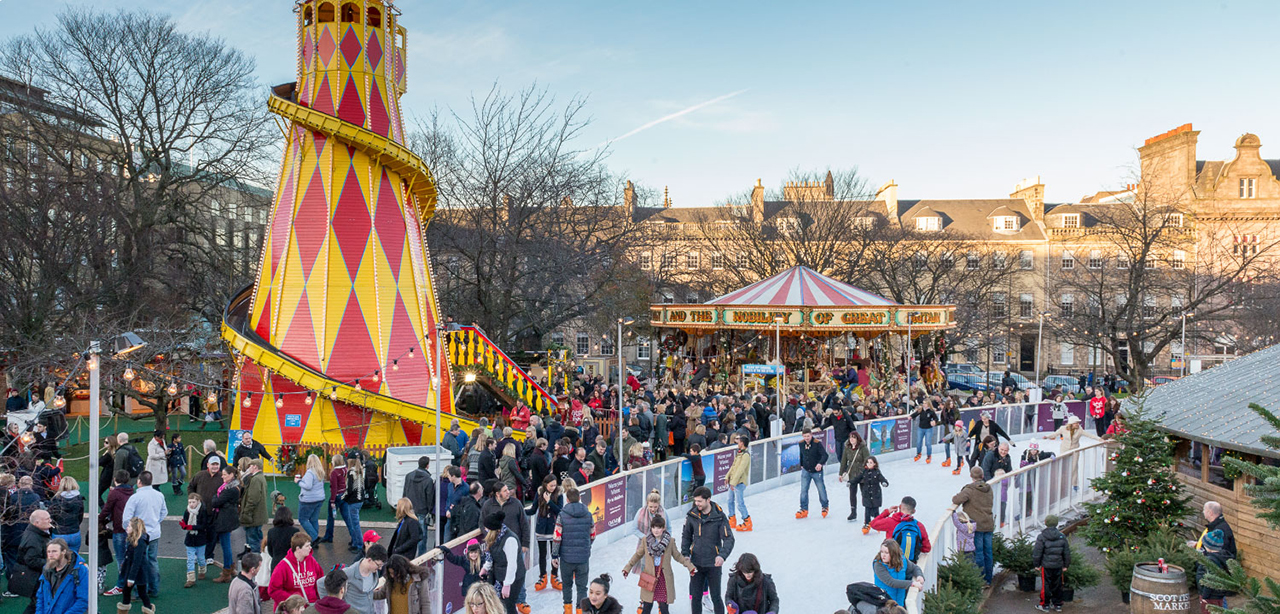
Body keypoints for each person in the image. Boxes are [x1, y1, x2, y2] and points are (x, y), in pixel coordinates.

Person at [623, 515, 694, 614]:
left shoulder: (670, 541)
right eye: (654, 527)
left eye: (659, 527)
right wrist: (627, 568)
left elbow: (678, 556)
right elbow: (637, 555)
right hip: (650, 577)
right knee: (647, 607)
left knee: (664, 608)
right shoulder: (645, 540)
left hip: (663, 578)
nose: (656, 530)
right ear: (651, 528)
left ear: (663, 528)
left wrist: (690, 567)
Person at [682, 486, 734, 614]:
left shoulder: (720, 517)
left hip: (713, 564)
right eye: (696, 501)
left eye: (700, 501)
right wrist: (686, 554)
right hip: (696, 563)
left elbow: (729, 539)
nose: (697, 504)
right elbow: (686, 536)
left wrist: (722, 556)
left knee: (716, 597)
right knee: (696, 597)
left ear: (708, 500)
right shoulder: (692, 516)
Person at [121, 471, 167, 596]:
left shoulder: (135, 498)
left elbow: (126, 518)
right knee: (152, 561)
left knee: (137, 562)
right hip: (154, 533)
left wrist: (129, 530)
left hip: (138, 536)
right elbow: (164, 512)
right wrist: (155, 523)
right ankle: (154, 588)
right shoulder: (159, 495)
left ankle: (138, 592)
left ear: (139, 482)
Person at [554, 484, 595, 614]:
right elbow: (593, 535)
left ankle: (567, 611)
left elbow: (557, 537)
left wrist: (555, 555)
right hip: (583, 557)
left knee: (567, 585)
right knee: (582, 587)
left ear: (567, 500)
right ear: (579, 498)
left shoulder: (562, 515)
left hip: (566, 558)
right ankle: (580, 611)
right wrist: (586, 546)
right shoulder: (588, 514)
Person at [951, 466, 995, 583]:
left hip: (977, 526)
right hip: (989, 524)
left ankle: (981, 580)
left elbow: (956, 500)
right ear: (982, 476)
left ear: (971, 476)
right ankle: (988, 579)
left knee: (979, 553)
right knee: (988, 552)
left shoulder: (969, 490)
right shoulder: (989, 488)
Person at [318, 544, 386, 614]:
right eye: (378, 565)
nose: (380, 568)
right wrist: (329, 607)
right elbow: (320, 583)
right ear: (369, 560)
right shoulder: (348, 572)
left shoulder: (374, 571)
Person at [484, 511, 526, 614]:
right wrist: (485, 568)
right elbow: (491, 555)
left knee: (508, 606)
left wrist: (507, 585)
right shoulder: (495, 538)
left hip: (514, 578)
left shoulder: (509, 540)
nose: (485, 529)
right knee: (501, 606)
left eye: (487, 528)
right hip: (500, 575)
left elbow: (512, 565)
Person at [13, 510, 54, 614]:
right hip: (35, 578)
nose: (50, 520)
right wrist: (51, 563)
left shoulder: (38, 533)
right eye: (47, 519)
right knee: (37, 604)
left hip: (37, 577)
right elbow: (32, 560)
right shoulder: (33, 539)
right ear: (37, 523)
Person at [33, 538, 89, 614]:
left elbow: (83, 600)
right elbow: (41, 596)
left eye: (54, 551)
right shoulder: (47, 570)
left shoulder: (80, 570)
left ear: (64, 551)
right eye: (48, 552)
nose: (51, 555)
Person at [527, 475, 563, 593]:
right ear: (545, 484)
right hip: (542, 528)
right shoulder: (539, 493)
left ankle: (554, 576)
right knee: (542, 554)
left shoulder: (559, 494)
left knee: (554, 554)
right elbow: (533, 509)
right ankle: (543, 576)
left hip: (554, 528)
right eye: (551, 485)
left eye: (555, 485)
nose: (553, 487)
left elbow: (560, 511)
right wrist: (520, 511)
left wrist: (549, 502)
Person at [101, 470, 135, 596]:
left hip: (119, 528)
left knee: (121, 558)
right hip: (132, 529)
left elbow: (106, 509)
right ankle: (133, 583)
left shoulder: (114, 493)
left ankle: (122, 585)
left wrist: (99, 521)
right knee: (132, 557)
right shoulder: (132, 492)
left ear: (116, 480)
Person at [869, 497, 931, 564]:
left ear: (900, 507)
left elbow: (873, 524)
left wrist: (887, 512)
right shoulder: (918, 526)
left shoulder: (890, 522)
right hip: (910, 565)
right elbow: (927, 548)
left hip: (891, 563)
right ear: (914, 511)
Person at [268, 532, 323, 606]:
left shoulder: (312, 561)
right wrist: (293, 602)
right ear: (298, 549)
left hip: (312, 606)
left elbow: (319, 581)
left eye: (310, 545)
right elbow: (273, 590)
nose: (310, 548)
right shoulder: (283, 566)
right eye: (307, 546)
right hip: (294, 608)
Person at [211, 465, 243, 583]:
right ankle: (230, 567)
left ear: (231, 475)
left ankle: (227, 572)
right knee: (226, 544)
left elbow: (216, 502)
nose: (222, 476)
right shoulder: (235, 486)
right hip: (229, 518)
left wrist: (215, 497)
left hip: (225, 519)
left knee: (226, 545)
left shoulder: (230, 490)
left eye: (225, 474)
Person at [1031, 514, 1069, 612]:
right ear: (1056, 524)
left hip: (1046, 566)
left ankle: (1045, 605)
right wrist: (1066, 565)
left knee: (1046, 585)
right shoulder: (1062, 536)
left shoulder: (1042, 536)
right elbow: (1066, 552)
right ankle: (1058, 604)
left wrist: (1036, 565)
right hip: (1058, 565)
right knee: (1058, 584)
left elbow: (1037, 552)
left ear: (1045, 523)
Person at [871, 539, 923, 606]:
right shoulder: (878, 565)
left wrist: (919, 576)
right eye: (882, 552)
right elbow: (892, 582)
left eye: (886, 553)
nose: (883, 555)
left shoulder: (902, 560)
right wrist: (912, 583)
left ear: (893, 553)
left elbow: (914, 568)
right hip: (885, 604)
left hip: (900, 602)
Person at [402, 456, 436, 556]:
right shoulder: (428, 480)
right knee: (422, 536)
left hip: (409, 509)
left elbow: (405, 491)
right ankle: (422, 557)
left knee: (408, 534)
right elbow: (430, 497)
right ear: (427, 465)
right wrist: (430, 510)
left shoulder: (408, 476)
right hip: (422, 510)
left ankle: (408, 555)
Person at [119, 518, 153, 614]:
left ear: (135, 529)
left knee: (142, 593)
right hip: (132, 570)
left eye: (129, 526)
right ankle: (146, 608)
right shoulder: (133, 539)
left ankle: (148, 609)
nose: (127, 528)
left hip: (138, 572)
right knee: (126, 591)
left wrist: (131, 578)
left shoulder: (140, 542)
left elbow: (137, 561)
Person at [795, 427, 830, 519]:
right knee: (803, 490)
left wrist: (820, 463)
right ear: (803, 436)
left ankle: (825, 506)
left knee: (821, 489)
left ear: (811, 435)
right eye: (805, 436)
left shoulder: (817, 444)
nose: (807, 438)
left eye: (808, 436)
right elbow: (801, 454)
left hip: (816, 471)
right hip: (806, 470)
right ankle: (804, 509)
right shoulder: (801, 444)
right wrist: (802, 464)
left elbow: (825, 455)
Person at [180, 492, 213, 587]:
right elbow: (185, 521)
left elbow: (203, 525)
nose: (191, 504)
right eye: (189, 502)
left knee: (201, 558)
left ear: (198, 501)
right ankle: (190, 579)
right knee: (190, 559)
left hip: (200, 538)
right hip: (190, 539)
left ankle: (202, 569)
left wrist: (191, 527)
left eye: (193, 502)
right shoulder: (187, 511)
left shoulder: (203, 511)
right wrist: (184, 525)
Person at [849, 457, 889, 535]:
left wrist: (884, 483)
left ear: (874, 464)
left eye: (871, 462)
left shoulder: (877, 472)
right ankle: (867, 523)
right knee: (867, 510)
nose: (869, 464)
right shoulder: (864, 472)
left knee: (875, 510)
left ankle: (878, 523)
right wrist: (851, 482)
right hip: (867, 494)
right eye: (868, 462)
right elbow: (857, 478)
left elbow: (882, 478)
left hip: (875, 494)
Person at [1196, 530, 1234, 612]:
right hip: (1219, 594)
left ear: (1208, 546)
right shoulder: (1222, 556)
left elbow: (1210, 579)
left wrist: (1205, 597)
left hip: (1210, 596)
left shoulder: (1211, 561)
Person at [838, 431, 872, 523]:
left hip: (862, 474)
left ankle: (868, 512)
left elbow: (868, 460)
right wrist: (841, 474)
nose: (852, 439)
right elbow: (844, 461)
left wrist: (868, 472)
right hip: (852, 475)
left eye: (854, 437)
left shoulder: (863, 448)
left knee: (864, 494)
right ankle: (853, 512)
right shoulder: (847, 448)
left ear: (857, 439)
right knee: (852, 494)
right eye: (850, 437)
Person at [48, 477, 84, 552]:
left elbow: (51, 518)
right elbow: (80, 517)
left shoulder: (55, 500)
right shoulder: (79, 500)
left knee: (58, 559)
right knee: (74, 558)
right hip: (74, 532)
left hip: (59, 533)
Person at [241, 459, 270, 554]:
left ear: (255, 467)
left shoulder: (256, 479)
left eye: (250, 466)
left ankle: (256, 561)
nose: (249, 468)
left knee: (254, 540)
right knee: (257, 536)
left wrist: (246, 512)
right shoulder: (261, 477)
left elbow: (253, 498)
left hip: (254, 515)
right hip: (258, 514)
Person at [295, 455, 327, 541]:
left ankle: (314, 537)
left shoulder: (310, 472)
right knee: (314, 519)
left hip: (308, 500)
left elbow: (308, 486)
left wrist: (298, 482)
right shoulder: (320, 472)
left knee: (303, 519)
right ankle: (314, 538)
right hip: (319, 498)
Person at [725, 435, 752, 532]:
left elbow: (740, 470)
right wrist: (727, 476)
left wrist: (733, 482)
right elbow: (733, 466)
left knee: (740, 503)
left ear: (742, 443)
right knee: (729, 500)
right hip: (733, 482)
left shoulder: (745, 455)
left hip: (739, 483)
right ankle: (732, 519)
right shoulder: (739, 453)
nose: (737, 443)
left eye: (739, 441)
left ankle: (747, 521)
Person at [320, 454, 346, 544]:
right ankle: (354, 539)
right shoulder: (344, 470)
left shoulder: (334, 472)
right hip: (343, 494)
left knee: (331, 517)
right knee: (347, 517)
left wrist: (332, 500)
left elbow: (334, 488)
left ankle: (329, 536)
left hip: (337, 496)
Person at [342, 458, 366, 553]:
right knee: (354, 522)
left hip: (353, 501)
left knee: (355, 524)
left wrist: (343, 498)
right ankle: (355, 542)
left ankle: (359, 545)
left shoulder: (351, 473)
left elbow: (349, 489)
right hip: (360, 499)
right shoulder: (361, 471)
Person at [266, 505, 300, 570]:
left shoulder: (271, 531)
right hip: (291, 563)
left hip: (276, 563)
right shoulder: (295, 531)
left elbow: (270, 550)